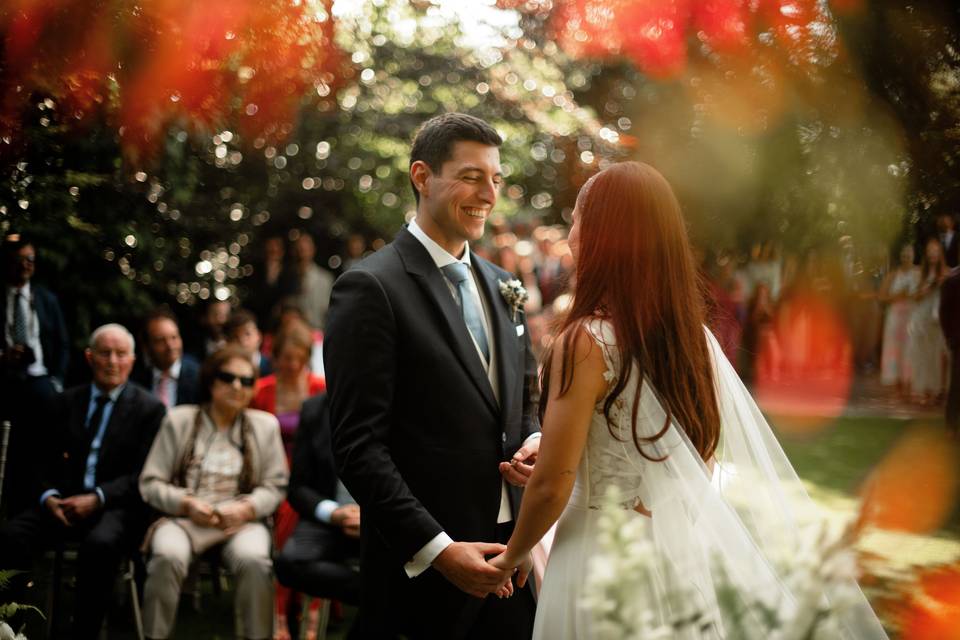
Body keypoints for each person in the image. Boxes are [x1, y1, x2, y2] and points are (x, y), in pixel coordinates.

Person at [487, 162, 888, 639]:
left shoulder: (585, 340)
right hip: (670, 558)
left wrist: (512, 556)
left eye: (576, 219)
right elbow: (691, 458)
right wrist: (579, 468)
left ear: (600, 234)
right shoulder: (691, 340)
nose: (570, 235)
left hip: (599, 559)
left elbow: (554, 483)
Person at [324, 112, 541, 638]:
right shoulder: (370, 288)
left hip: (510, 561)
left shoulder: (503, 285)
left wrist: (534, 438)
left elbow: (525, 396)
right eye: (471, 176)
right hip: (419, 577)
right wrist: (439, 551)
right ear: (422, 177)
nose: (488, 194)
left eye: (495, 178)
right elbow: (358, 446)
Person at [0, 323, 166, 639]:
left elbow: (144, 475)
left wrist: (98, 497)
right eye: (105, 353)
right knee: (12, 534)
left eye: (120, 354)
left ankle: (84, 631)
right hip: (60, 503)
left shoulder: (150, 410)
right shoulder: (63, 402)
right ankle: (11, 626)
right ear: (90, 358)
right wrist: (48, 495)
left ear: (132, 360)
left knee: (101, 544)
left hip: (115, 507)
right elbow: (35, 460)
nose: (112, 361)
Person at [138, 345, 289, 640]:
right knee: (167, 554)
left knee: (256, 560)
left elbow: (277, 485)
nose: (237, 386)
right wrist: (186, 504)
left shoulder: (264, 426)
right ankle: (153, 636)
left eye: (246, 381)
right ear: (210, 380)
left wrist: (247, 508)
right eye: (227, 377)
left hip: (241, 521)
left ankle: (256, 636)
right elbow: (150, 482)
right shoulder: (179, 420)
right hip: (185, 519)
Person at [249, 319, 325, 639]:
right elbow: (250, 439)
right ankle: (283, 613)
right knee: (284, 513)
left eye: (298, 358)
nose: (292, 365)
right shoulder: (260, 390)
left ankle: (306, 611)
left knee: (297, 511)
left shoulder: (320, 388)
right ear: (274, 356)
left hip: (310, 475)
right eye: (285, 358)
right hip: (270, 471)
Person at [0, 236, 70, 515]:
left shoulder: (46, 298)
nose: (25, 266)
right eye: (19, 260)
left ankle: (40, 503)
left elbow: (63, 343)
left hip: (41, 380)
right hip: (5, 380)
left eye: (30, 260)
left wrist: (57, 380)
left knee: (42, 446)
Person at [274, 393, 361, 604]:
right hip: (332, 517)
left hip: (387, 520)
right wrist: (333, 513)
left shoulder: (402, 406)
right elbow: (298, 487)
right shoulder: (315, 408)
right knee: (289, 564)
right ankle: (383, 597)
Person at [906, 237, 950, 404]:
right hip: (921, 318)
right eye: (930, 251)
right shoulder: (919, 273)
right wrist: (931, 285)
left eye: (936, 251)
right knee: (922, 355)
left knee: (937, 355)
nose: (933, 254)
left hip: (938, 319)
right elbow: (914, 297)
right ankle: (923, 391)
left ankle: (937, 391)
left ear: (940, 253)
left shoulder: (947, 272)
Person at [133, 307, 202, 407]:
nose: (170, 346)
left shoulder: (199, 377)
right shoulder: (137, 380)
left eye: (174, 337)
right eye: (160, 340)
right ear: (146, 347)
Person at [879, 244, 921, 393]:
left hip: (912, 315)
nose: (906, 257)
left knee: (910, 347)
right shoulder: (893, 274)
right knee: (894, 348)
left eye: (909, 254)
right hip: (895, 316)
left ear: (914, 255)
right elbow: (882, 296)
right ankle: (894, 380)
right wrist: (898, 295)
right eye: (904, 255)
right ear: (900, 257)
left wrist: (912, 295)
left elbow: (925, 293)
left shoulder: (919, 273)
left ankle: (908, 380)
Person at [291, 234, 334, 331]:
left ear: (313, 250)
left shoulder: (325, 279)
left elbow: (329, 311)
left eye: (305, 249)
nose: (302, 253)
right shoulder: (287, 277)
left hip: (318, 333)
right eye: (299, 249)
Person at [225, 308, 273, 377]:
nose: (242, 340)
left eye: (247, 334)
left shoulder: (272, 367)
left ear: (258, 336)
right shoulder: (225, 369)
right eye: (235, 336)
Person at [940, 266, 960, 432]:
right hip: (958, 340)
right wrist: (950, 337)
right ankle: (951, 424)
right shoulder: (952, 280)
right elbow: (944, 312)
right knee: (956, 384)